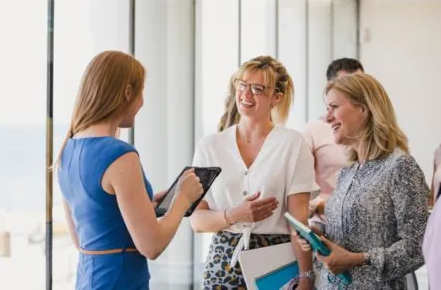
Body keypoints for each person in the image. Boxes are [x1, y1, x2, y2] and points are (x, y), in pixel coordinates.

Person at [56, 51, 204, 290]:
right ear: (127, 92)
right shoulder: (119, 154)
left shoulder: (66, 150)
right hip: (121, 281)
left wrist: (145, 209)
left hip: (88, 280)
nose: (142, 102)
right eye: (141, 92)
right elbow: (152, 246)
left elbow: (84, 238)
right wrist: (182, 199)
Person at [190, 56, 319, 289]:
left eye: (257, 89)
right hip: (223, 262)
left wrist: (306, 276)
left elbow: (298, 222)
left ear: (276, 98)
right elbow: (197, 221)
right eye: (242, 85)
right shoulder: (210, 146)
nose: (246, 94)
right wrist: (233, 215)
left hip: (277, 264)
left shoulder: (292, 144)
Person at [296, 73, 428, 289]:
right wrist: (318, 237)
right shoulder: (349, 171)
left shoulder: (400, 167)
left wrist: (359, 259)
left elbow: (418, 247)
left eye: (334, 107)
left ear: (364, 109)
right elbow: (353, 233)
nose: (327, 117)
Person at [303, 58, 364, 221]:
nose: (354, 91)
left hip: (363, 224)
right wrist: (329, 206)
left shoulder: (375, 133)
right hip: (325, 222)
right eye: (346, 84)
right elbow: (301, 188)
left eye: (360, 83)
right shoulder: (313, 130)